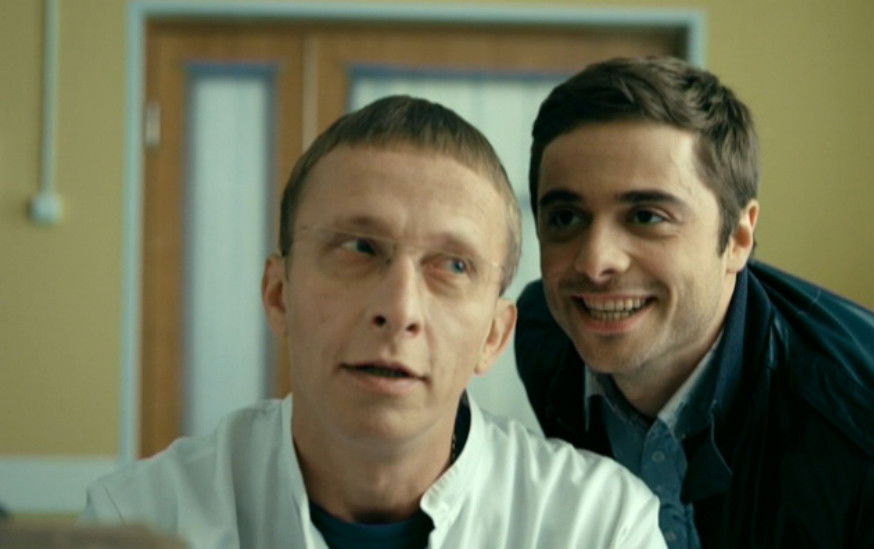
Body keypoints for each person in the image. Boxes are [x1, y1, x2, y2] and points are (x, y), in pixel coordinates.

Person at [79, 96, 666, 548]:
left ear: (494, 335)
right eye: (359, 248)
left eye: (452, 265)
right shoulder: (143, 521)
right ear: (279, 294)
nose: (400, 310)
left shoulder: (597, 526)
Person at [515, 55, 874, 548]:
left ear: (738, 237)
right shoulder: (547, 336)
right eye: (565, 218)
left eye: (647, 216)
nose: (594, 262)